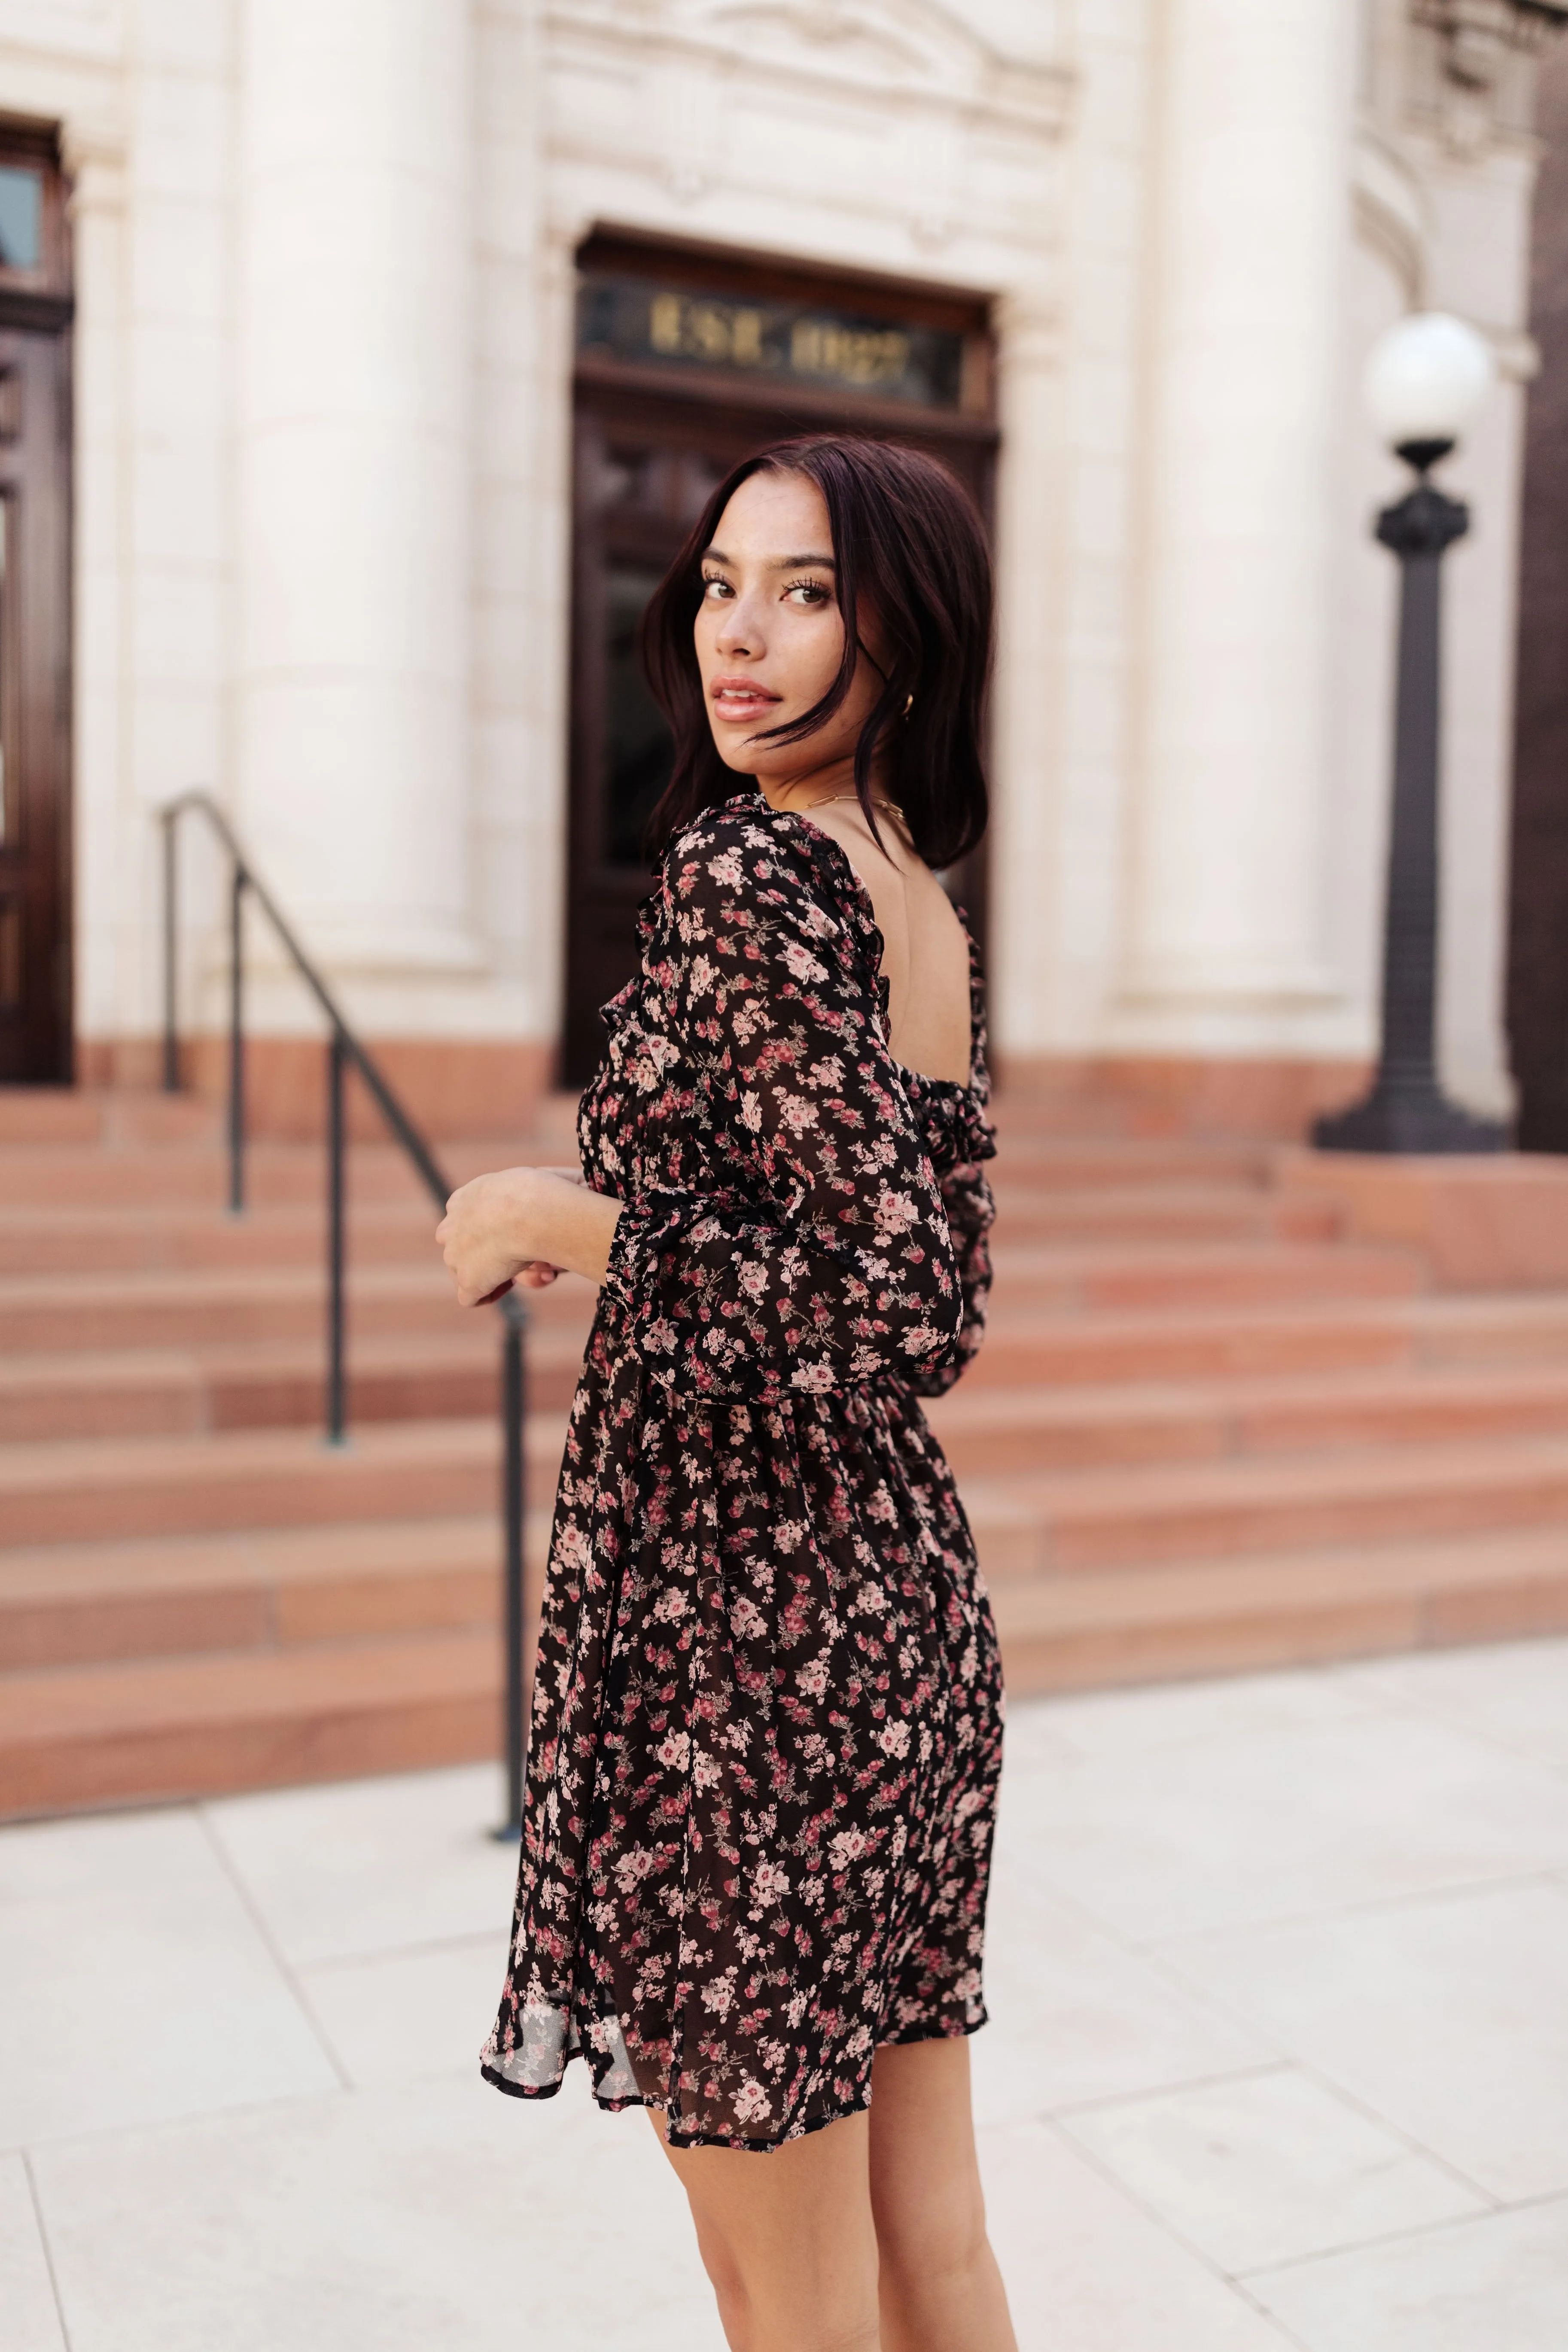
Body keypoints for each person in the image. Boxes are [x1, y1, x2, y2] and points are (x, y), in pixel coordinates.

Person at [438, 434, 1014, 2352]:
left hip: (749, 1653)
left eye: (809, 591)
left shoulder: (748, 868)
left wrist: (565, 1213)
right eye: (717, 584)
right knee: (922, 2245)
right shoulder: (905, 881)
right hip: (891, 1630)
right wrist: (633, 1222)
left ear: (905, 634)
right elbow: (897, 1261)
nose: (737, 637)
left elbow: (901, 1298)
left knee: (790, 2291)